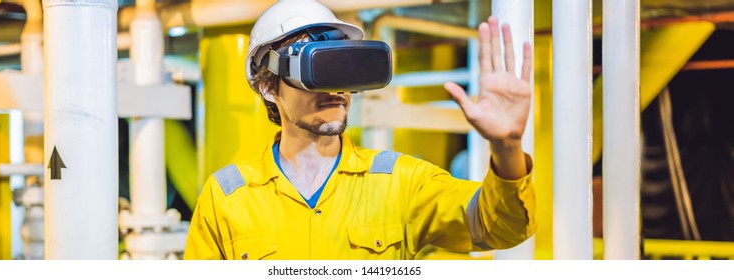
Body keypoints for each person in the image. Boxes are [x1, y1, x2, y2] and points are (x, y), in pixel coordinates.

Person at [184, 0, 536, 260]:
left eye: (344, 68)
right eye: (318, 68)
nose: (336, 89)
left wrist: (507, 147)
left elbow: (500, 228)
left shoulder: (400, 181)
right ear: (268, 87)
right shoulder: (226, 197)